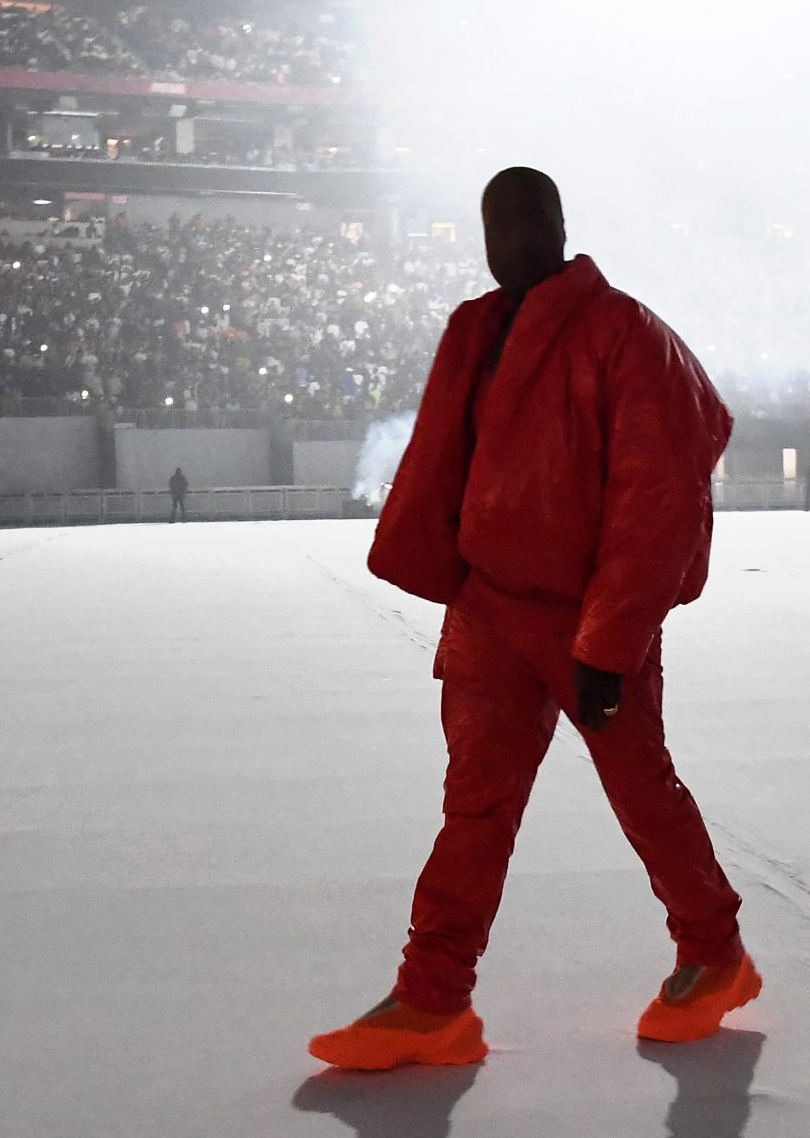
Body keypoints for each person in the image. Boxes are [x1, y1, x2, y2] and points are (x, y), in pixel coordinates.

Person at [309, 166, 756, 1072]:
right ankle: (432, 997)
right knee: (473, 807)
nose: (506, 241)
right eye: (493, 226)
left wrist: (611, 640)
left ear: (557, 226)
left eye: (523, 222)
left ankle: (715, 953)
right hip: (489, 611)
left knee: (642, 793)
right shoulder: (475, 331)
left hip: (589, 619)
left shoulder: (627, 336)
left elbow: (656, 498)